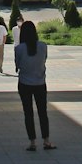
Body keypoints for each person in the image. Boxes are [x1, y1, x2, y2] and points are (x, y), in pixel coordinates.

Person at [15, 19, 55, 151]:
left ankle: (32, 142)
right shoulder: (43, 46)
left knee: (28, 113)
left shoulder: (19, 49)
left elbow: (18, 65)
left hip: (24, 83)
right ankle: (46, 140)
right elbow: (44, 60)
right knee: (43, 112)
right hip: (40, 83)